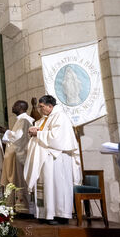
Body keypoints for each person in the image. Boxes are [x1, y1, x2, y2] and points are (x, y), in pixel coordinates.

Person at [24, 94, 81, 224]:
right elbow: (43, 133)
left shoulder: (60, 117)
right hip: (46, 158)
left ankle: (59, 215)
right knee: (45, 186)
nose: (40, 109)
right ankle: (45, 214)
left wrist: (38, 133)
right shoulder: (46, 118)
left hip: (57, 158)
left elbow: (57, 138)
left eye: (41, 106)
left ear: (50, 106)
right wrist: (34, 131)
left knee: (56, 186)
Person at [1, 100, 34, 213]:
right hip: (15, 155)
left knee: (19, 181)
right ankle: (17, 206)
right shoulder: (21, 120)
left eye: (15, 105)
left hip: (19, 156)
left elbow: (18, 137)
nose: (13, 106)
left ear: (21, 107)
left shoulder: (24, 120)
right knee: (15, 181)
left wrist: (6, 131)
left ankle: (23, 208)